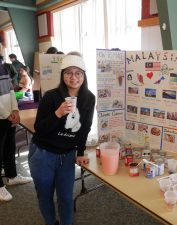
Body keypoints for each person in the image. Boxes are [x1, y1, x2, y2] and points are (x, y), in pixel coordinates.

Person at [29, 53, 95, 225]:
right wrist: (58, 113)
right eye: (69, 73)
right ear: (62, 74)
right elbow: (39, 129)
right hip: (43, 153)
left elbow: (85, 128)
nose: (73, 77)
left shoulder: (89, 98)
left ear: (84, 75)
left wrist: (80, 152)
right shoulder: (50, 97)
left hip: (67, 155)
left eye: (78, 73)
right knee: (45, 195)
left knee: (66, 196)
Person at [0, 60, 33, 202]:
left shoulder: (3, 67)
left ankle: (11, 176)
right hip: (3, 115)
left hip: (9, 115)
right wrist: (7, 114)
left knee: (9, 146)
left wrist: (15, 110)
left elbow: (11, 90)